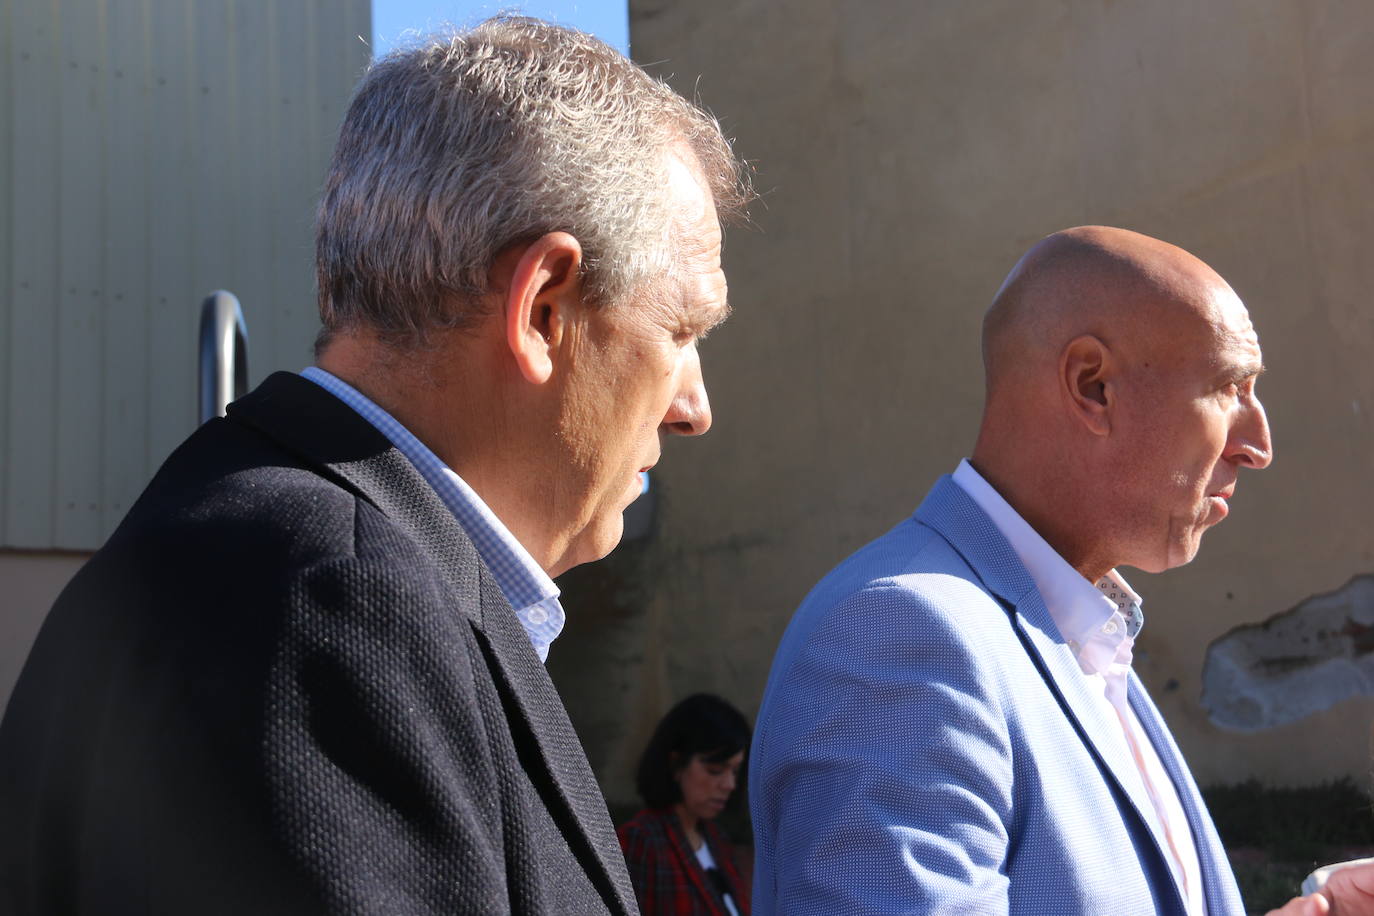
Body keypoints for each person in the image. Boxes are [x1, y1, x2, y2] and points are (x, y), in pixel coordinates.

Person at [0, 18, 749, 915]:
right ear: (543, 310)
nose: (693, 408)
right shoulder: (331, 604)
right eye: (681, 332)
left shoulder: (299, 565)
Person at [751, 226, 1277, 914]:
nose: (1259, 444)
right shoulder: (903, 638)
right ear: (1093, 386)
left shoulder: (1072, 631)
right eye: (1229, 388)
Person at [619, 694, 752, 916]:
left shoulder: (716, 838)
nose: (729, 784)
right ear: (676, 763)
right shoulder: (642, 842)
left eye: (735, 771)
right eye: (715, 770)